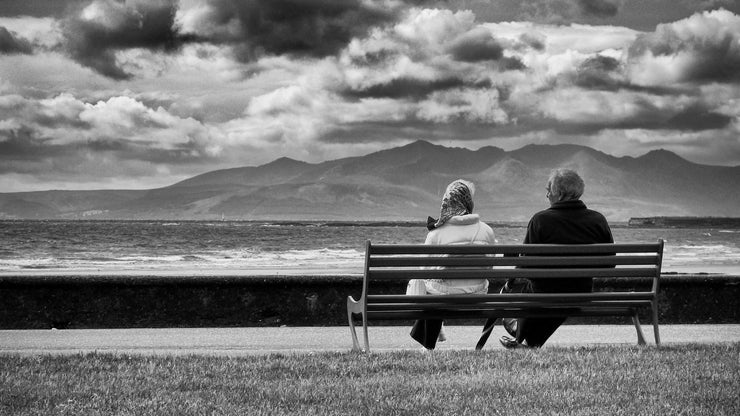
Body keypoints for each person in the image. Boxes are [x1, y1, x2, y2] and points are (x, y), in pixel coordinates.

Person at [480, 168, 613, 349]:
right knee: (557, 296)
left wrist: (510, 284)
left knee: (535, 292)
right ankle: (525, 340)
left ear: (558, 194)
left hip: (544, 291)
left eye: (548, 190)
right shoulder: (598, 220)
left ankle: (522, 335)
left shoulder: (541, 220)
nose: (547, 195)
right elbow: (609, 262)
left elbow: (526, 264)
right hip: (581, 290)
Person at [409, 179, 496, 350]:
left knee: (423, 285)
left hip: (443, 298)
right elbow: (490, 267)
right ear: (469, 202)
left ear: (447, 201)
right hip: (477, 294)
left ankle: (428, 343)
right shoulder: (487, 231)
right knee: (434, 288)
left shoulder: (436, 233)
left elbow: (424, 270)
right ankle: (430, 338)